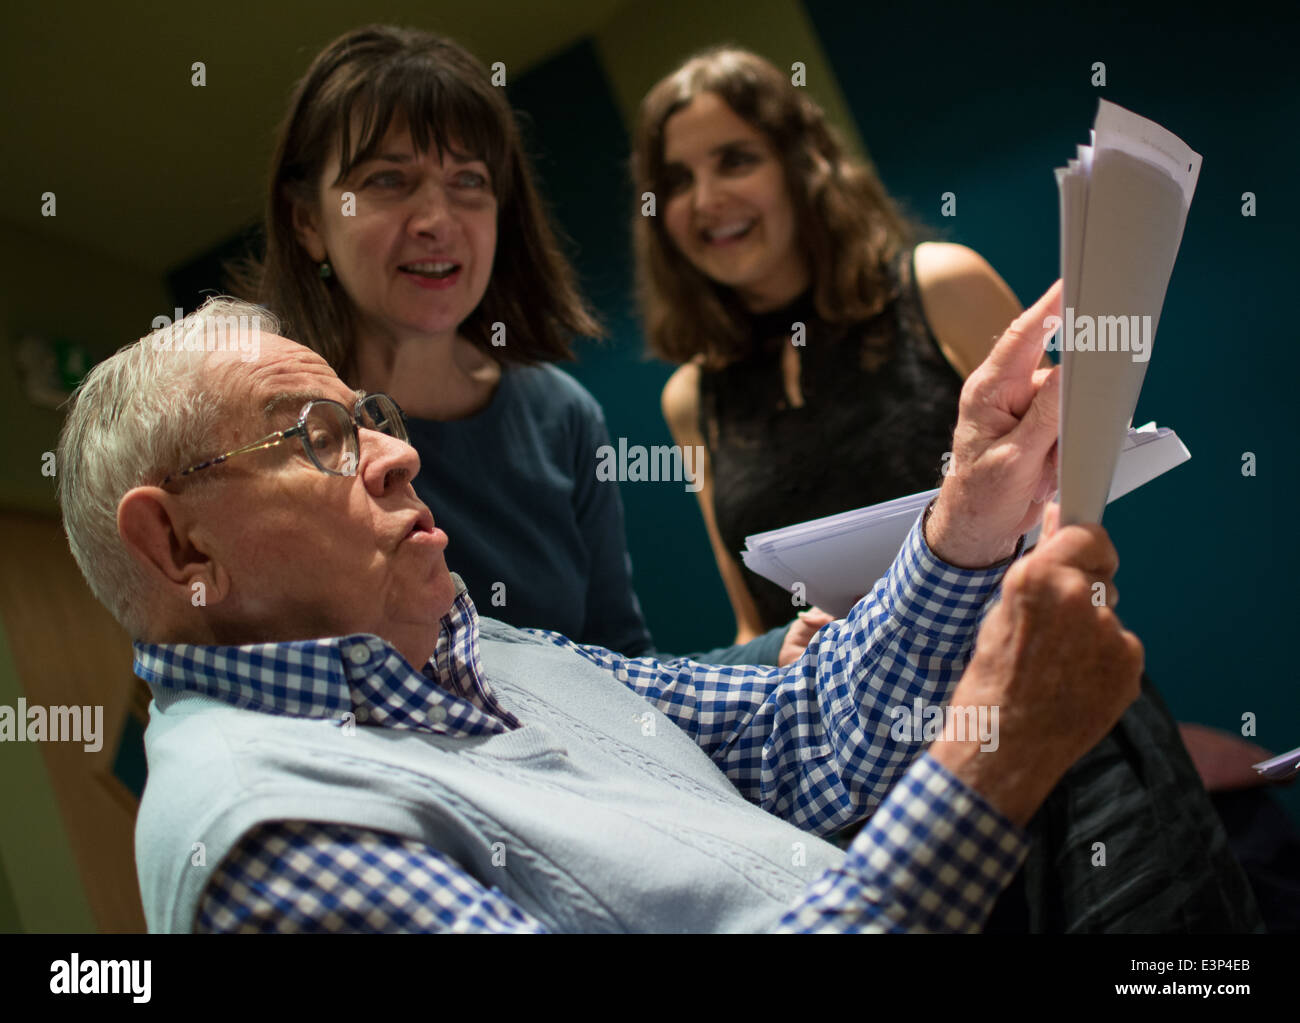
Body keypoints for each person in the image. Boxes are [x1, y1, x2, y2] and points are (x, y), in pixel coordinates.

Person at [59, 290, 1158, 933]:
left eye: (370, 419)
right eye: (313, 437)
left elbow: (796, 729)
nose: (399, 455)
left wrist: (969, 511)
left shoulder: (462, 643)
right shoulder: (264, 836)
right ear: (180, 544)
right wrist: (993, 763)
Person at [234, 25, 811, 665]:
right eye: (387, 181)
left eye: (469, 181)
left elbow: (616, 669)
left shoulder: (562, 415)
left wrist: (774, 653)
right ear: (308, 221)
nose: (437, 220)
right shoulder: (262, 430)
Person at [632, 46, 1027, 641]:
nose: (706, 200)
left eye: (735, 160)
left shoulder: (943, 286)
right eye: (679, 181)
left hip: (1031, 693)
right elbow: (752, 624)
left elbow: (1071, 522)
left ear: (802, 165)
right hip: (846, 731)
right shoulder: (690, 398)